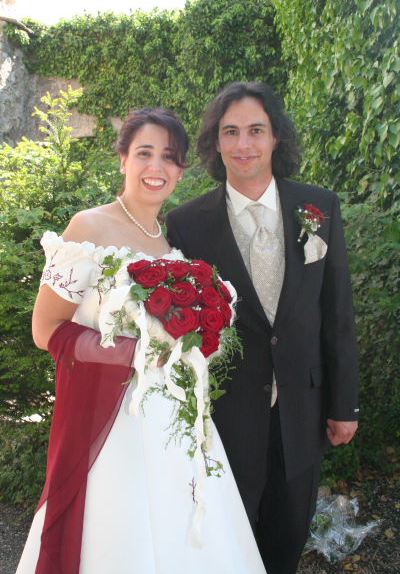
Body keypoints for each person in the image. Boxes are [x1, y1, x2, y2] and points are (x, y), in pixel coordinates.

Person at [17, 108, 267, 574]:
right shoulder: (88, 228)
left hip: (174, 420)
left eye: (169, 157)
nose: (157, 167)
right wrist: (133, 353)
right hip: (113, 426)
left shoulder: (170, 246)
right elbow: (45, 329)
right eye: (144, 153)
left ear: (181, 171)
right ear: (123, 160)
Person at [166, 82, 359, 574]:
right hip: (226, 414)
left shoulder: (318, 208)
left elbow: (337, 313)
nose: (244, 144)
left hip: (303, 408)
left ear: (276, 138)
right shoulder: (187, 223)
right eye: (230, 132)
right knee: (228, 542)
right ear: (216, 142)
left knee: (288, 537)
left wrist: (344, 405)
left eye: (256, 130)